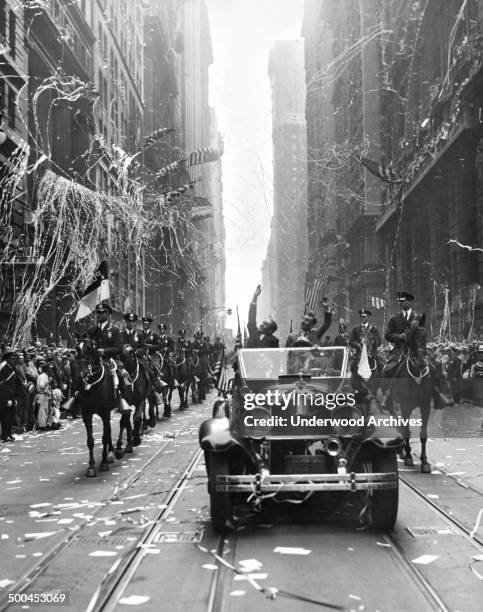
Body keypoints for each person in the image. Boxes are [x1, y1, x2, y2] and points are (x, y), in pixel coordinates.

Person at [85, 303, 130, 414]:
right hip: (94, 360)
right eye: (97, 313)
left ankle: (121, 400)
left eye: (101, 313)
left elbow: (119, 348)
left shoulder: (114, 330)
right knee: (81, 374)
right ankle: (78, 399)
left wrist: (105, 351)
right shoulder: (92, 330)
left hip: (111, 360)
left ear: (108, 314)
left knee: (119, 376)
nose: (98, 315)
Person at [0, 348, 19, 442]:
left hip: (10, 395)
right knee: (5, 417)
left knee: (10, 417)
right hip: (4, 397)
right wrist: (7, 399)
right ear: (7, 358)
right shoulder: (3, 367)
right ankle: (5, 435)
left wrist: (13, 397)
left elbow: (12, 385)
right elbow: (3, 385)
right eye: (11, 357)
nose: (13, 359)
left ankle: (9, 434)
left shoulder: (10, 367)